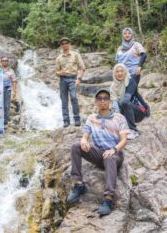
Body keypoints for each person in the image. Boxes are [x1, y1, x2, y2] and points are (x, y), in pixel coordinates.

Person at [67, 88, 128, 216]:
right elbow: (85, 135)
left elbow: (124, 141)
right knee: (75, 146)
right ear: (96, 102)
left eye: (105, 98)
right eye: (99, 99)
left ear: (110, 101)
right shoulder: (91, 118)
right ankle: (79, 184)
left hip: (115, 155)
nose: (102, 101)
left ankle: (108, 199)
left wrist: (113, 150)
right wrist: (84, 140)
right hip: (99, 153)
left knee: (109, 158)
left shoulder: (120, 118)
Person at [56, 37, 85, 127]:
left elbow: (82, 68)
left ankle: (77, 119)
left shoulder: (75, 55)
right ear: (61, 45)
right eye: (63, 43)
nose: (65, 44)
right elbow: (56, 72)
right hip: (63, 80)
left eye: (66, 43)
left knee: (73, 98)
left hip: (73, 79)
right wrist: (60, 73)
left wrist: (78, 79)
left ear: (69, 44)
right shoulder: (59, 58)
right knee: (64, 101)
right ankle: (66, 121)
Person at [110, 63, 139, 140]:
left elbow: (127, 98)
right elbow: (114, 100)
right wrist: (116, 111)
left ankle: (133, 130)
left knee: (125, 103)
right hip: (123, 107)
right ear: (114, 73)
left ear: (125, 72)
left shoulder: (130, 81)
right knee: (111, 107)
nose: (119, 73)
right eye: (117, 71)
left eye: (121, 71)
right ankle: (119, 130)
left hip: (139, 108)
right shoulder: (113, 85)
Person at [0, 56, 18, 125]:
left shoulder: (11, 71)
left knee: (7, 105)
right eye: (3, 60)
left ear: (8, 62)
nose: (4, 62)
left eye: (6, 60)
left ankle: (5, 120)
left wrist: (15, 91)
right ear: (1, 62)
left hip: (7, 89)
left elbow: (14, 81)